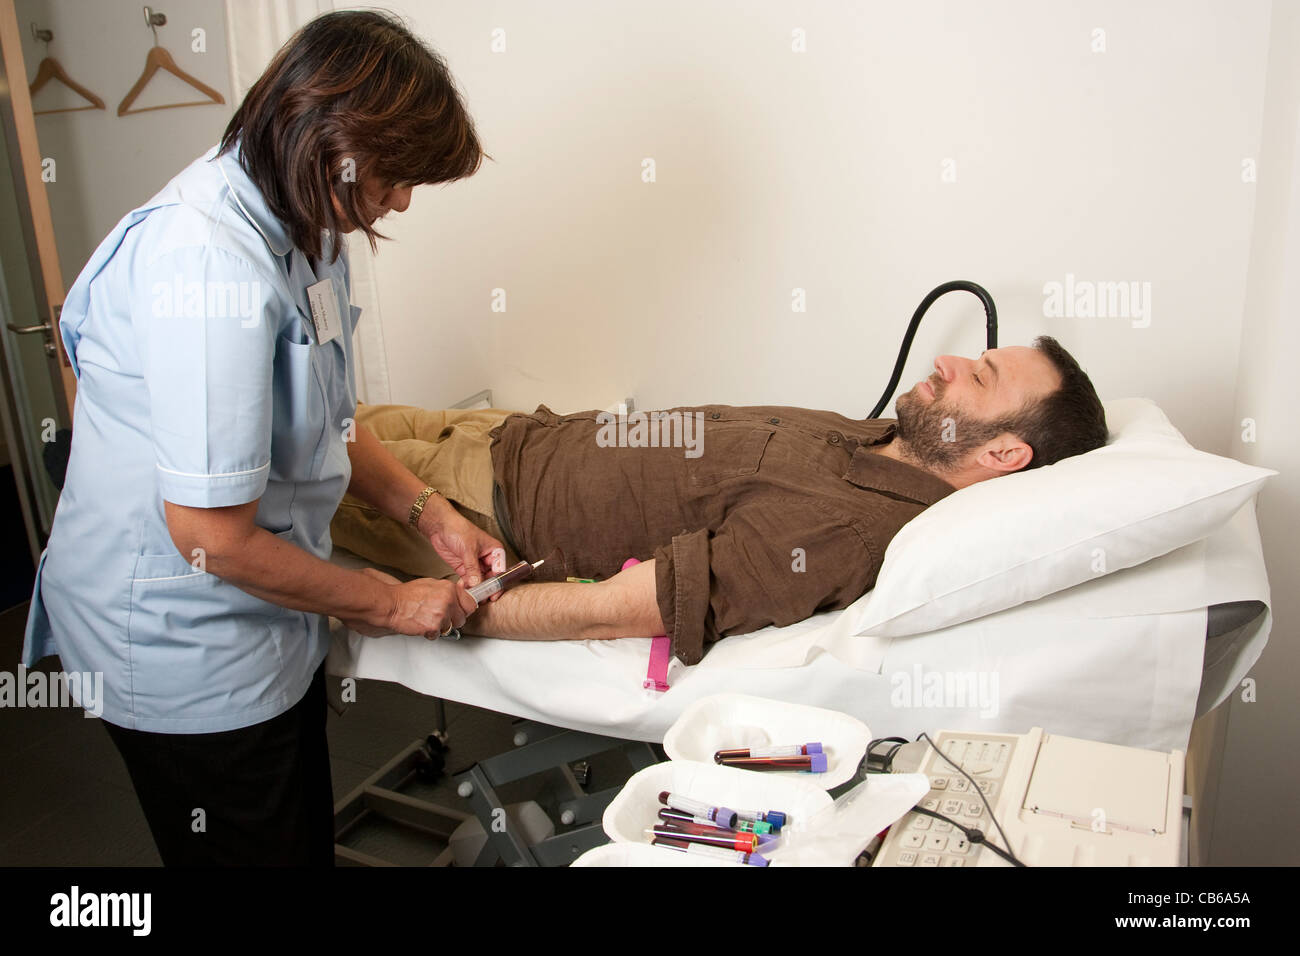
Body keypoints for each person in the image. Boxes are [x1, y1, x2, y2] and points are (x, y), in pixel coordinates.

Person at [21, 10, 502, 866]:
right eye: (398, 177)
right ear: (335, 140)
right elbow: (210, 539)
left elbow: (322, 414)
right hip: (182, 641)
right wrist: (392, 603)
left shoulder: (307, 225)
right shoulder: (208, 265)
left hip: (256, 616)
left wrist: (428, 512)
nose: (400, 201)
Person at [331, 337, 1109, 664]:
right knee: (303, 396)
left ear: (1004, 453)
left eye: (978, 377)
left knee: (249, 448)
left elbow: (617, 608)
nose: (947, 360)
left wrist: (456, 611)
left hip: (477, 511)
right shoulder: (883, 441)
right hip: (505, 436)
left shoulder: (849, 528)